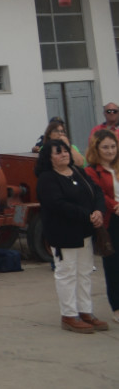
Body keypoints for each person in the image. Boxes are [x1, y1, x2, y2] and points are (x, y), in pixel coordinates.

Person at [35, 140, 108, 333]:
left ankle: (86, 311)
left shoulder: (78, 172)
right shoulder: (47, 179)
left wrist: (99, 211)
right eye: (57, 152)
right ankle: (69, 315)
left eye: (65, 151)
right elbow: (57, 204)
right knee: (67, 274)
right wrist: (88, 215)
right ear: (49, 158)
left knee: (84, 273)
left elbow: (97, 191)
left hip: (85, 232)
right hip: (64, 234)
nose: (63, 154)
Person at [83, 129, 119, 324]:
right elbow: (98, 195)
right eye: (105, 147)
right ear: (96, 149)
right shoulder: (91, 171)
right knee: (114, 266)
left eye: (113, 146)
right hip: (111, 221)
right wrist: (115, 206)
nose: (110, 150)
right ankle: (117, 307)